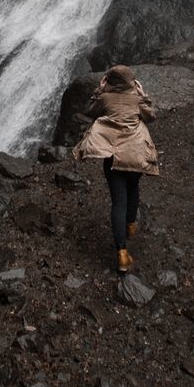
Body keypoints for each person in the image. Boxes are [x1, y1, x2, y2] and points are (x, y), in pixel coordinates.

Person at [72, 64, 159, 273]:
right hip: (136, 154)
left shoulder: (105, 99)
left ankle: (122, 253)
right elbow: (151, 116)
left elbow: (90, 111)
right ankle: (130, 224)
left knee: (118, 201)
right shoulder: (136, 99)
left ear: (109, 81)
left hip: (112, 156)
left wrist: (99, 91)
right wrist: (142, 94)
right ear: (131, 82)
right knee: (134, 187)